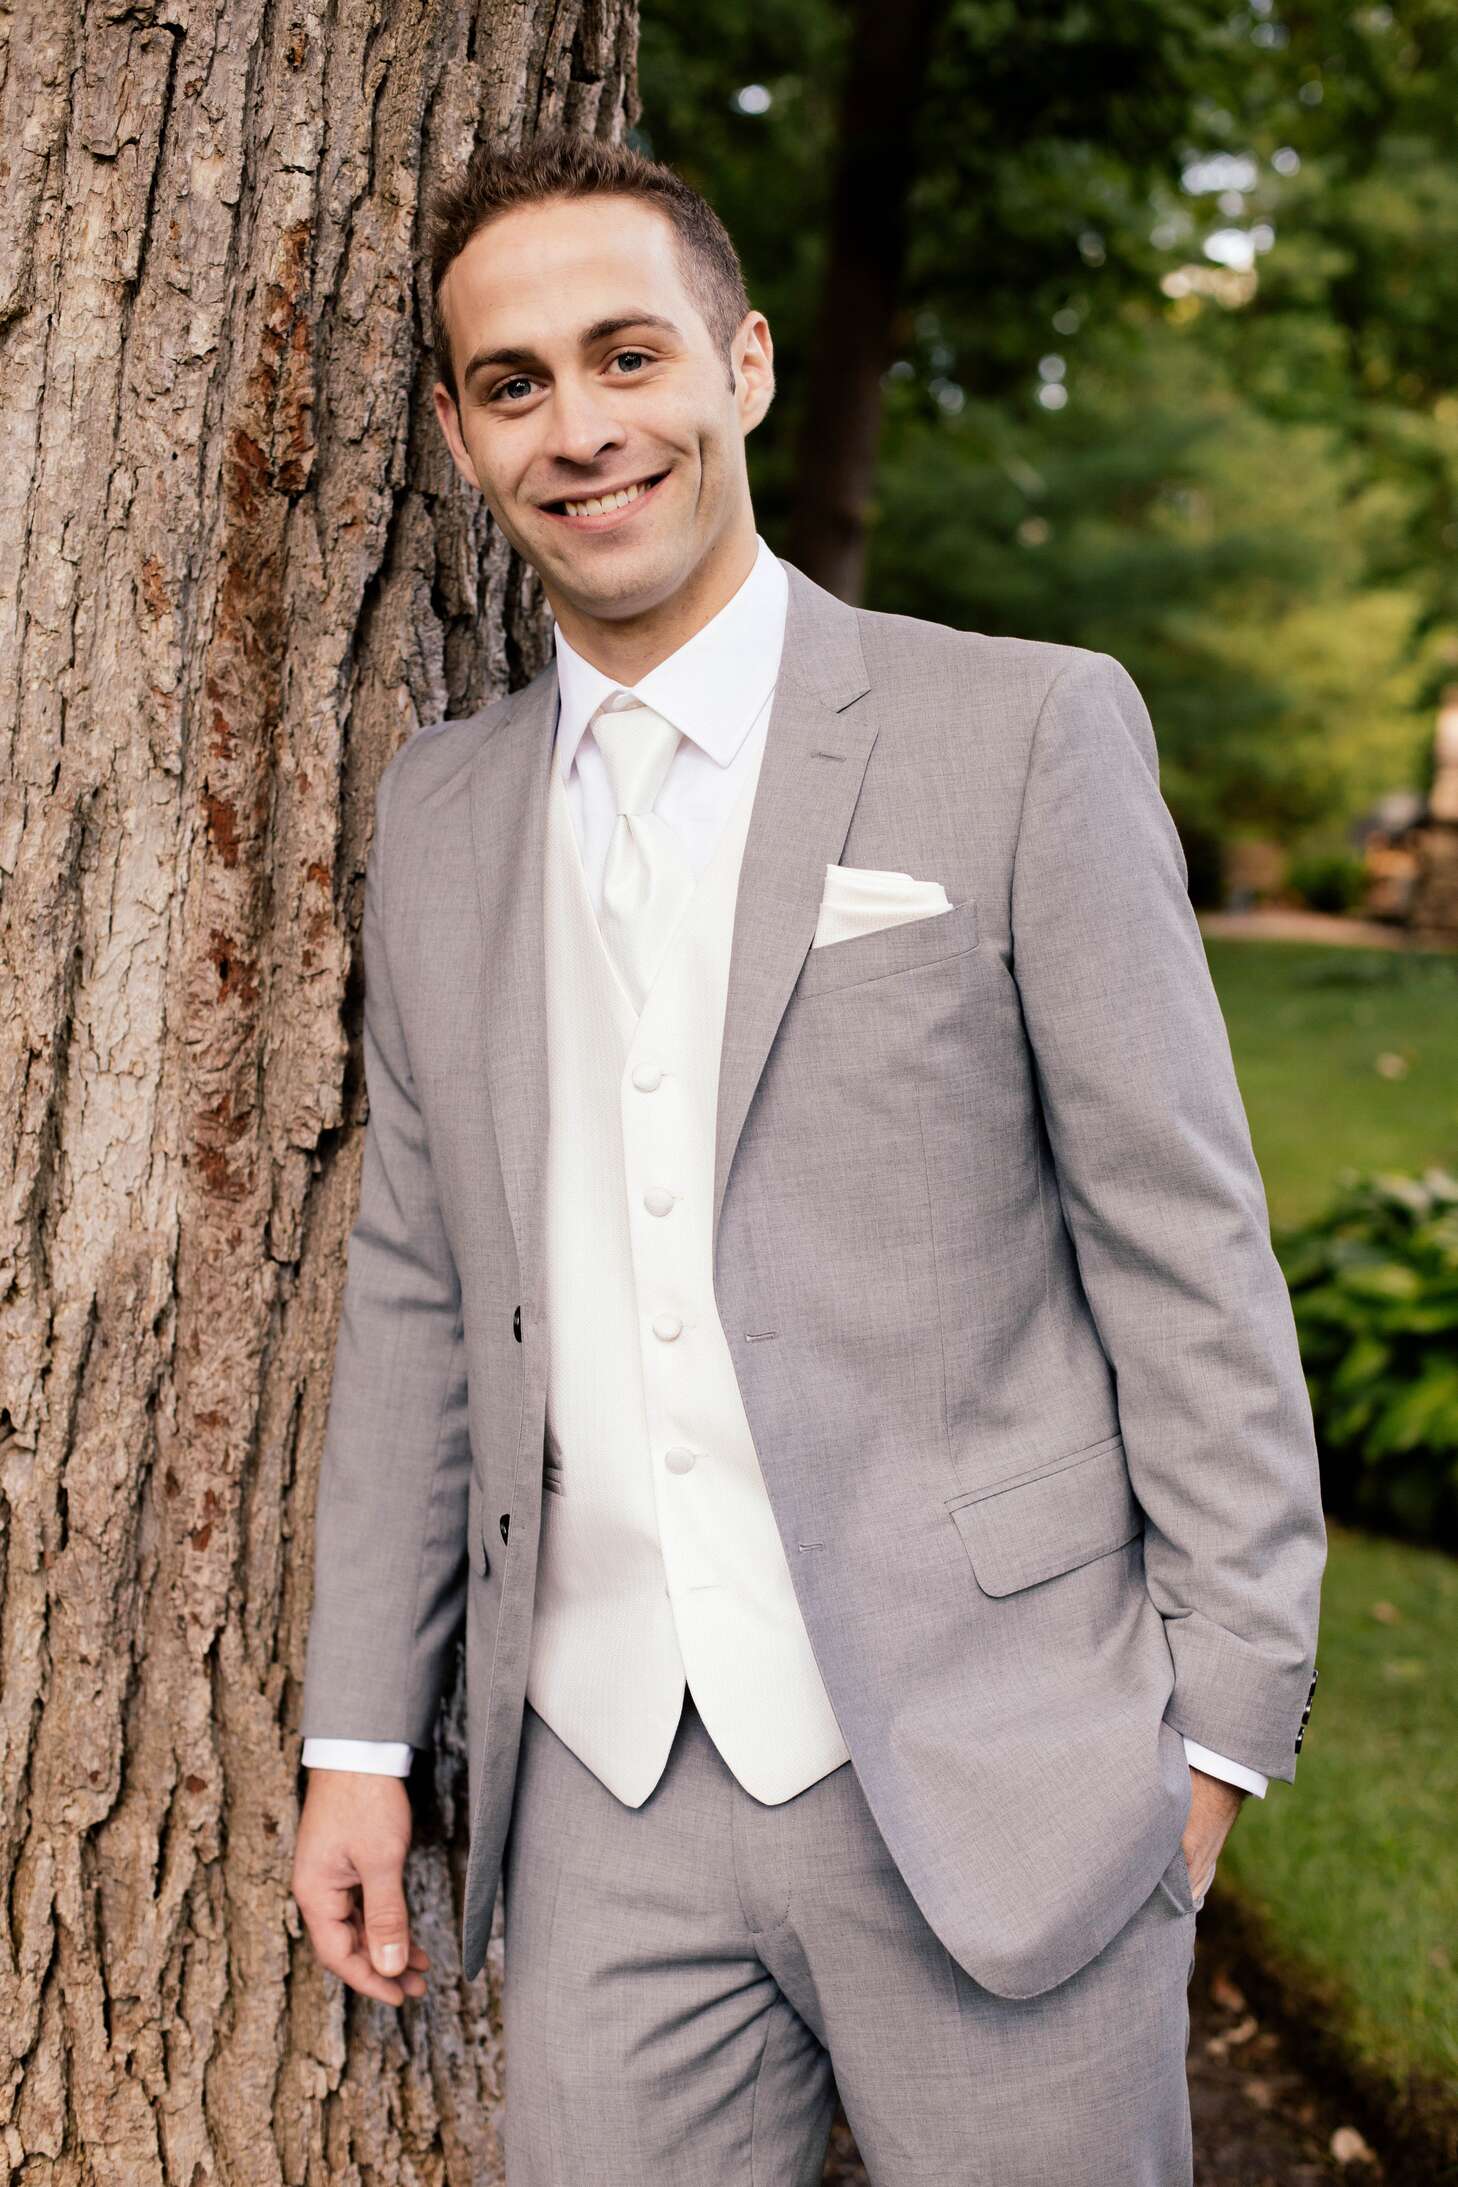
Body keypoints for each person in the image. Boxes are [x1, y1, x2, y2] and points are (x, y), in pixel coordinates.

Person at [291, 128, 1325, 2184]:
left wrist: (1213, 1741)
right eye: (516, 384)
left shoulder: (1022, 732)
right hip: (602, 1789)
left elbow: (1182, 1244)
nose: (582, 428)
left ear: (743, 367)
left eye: (628, 354)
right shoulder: (444, 812)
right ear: (459, 429)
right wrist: (358, 1736)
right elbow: (420, 1272)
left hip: (995, 1756)